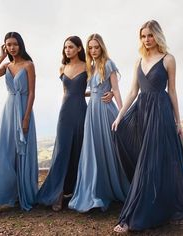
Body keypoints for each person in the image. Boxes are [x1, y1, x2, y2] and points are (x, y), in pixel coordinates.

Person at [112, 20, 183, 233]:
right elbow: (132, 92)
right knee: (147, 160)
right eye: (143, 36)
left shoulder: (168, 59)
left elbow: (172, 91)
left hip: (161, 113)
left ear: (158, 36)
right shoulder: (138, 61)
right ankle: (159, 206)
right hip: (142, 112)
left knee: (150, 162)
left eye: (150, 35)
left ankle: (134, 217)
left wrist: (178, 121)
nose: (147, 40)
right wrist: (120, 116)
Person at [37, 36, 113, 211]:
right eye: (65, 48)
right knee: (62, 151)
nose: (67, 50)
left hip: (81, 111)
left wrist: (108, 93)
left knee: (79, 149)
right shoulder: (63, 67)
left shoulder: (89, 67)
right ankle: (57, 192)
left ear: (79, 48)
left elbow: (98, 85)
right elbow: (67, 91)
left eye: (71, 47)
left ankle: (78, 191)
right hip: (65, 113)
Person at [68, 33, 130, 213]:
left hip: (105, 111)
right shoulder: (91, 66)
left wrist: (121, 114)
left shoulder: (108, 64)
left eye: (96, 47)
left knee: (107, 150)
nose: (93, 50)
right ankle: (94, 191)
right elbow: (93, 90)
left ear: (101, 47)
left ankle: (110, 189)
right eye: (91, 47)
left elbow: (116, 91)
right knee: (93, 151)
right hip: (91, 112)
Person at [0, 32, 38, 212]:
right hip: (8, 111)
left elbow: (31, 93)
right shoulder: (7, 66)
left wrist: (27, 117)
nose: (12, 47)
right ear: (5, 47)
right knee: (3, 152)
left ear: (20, 45)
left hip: (23, 109)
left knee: (22, 154)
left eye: (14, 44)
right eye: (8, 45)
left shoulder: (28, 65)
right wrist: (0, 57)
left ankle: (20, 193)